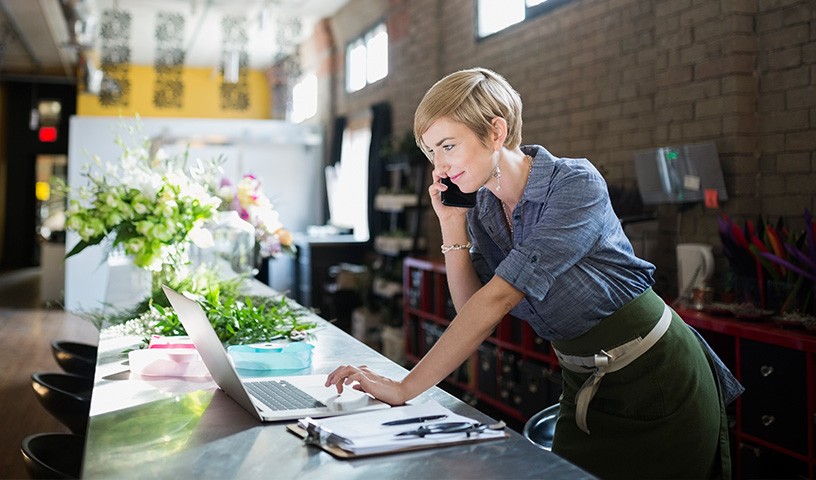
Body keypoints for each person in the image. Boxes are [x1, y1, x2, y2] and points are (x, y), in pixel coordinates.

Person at [326, 67, 742, 479]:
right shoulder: (484, 210)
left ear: (495, 132)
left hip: (656, 376)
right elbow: (473, 310)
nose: (439, 167)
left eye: (448, 146)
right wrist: (452, 225)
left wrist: (404, 388)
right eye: (431, 152)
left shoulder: (575, 184)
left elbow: (500, 298)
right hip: (583, 382)